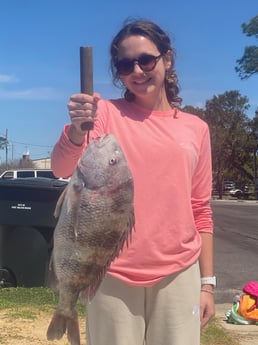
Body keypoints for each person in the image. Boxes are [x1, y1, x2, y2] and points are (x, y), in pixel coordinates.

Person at [51, 18, 215, 345]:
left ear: (167, 60)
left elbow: (201, 209)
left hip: (179, 273)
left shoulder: (196, 129)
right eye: (126, 65)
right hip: (110, 271)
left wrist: (207, 283)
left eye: (146, 60)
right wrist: (77, 129)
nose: (137, 71)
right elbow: (61, 166)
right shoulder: (105, 114)